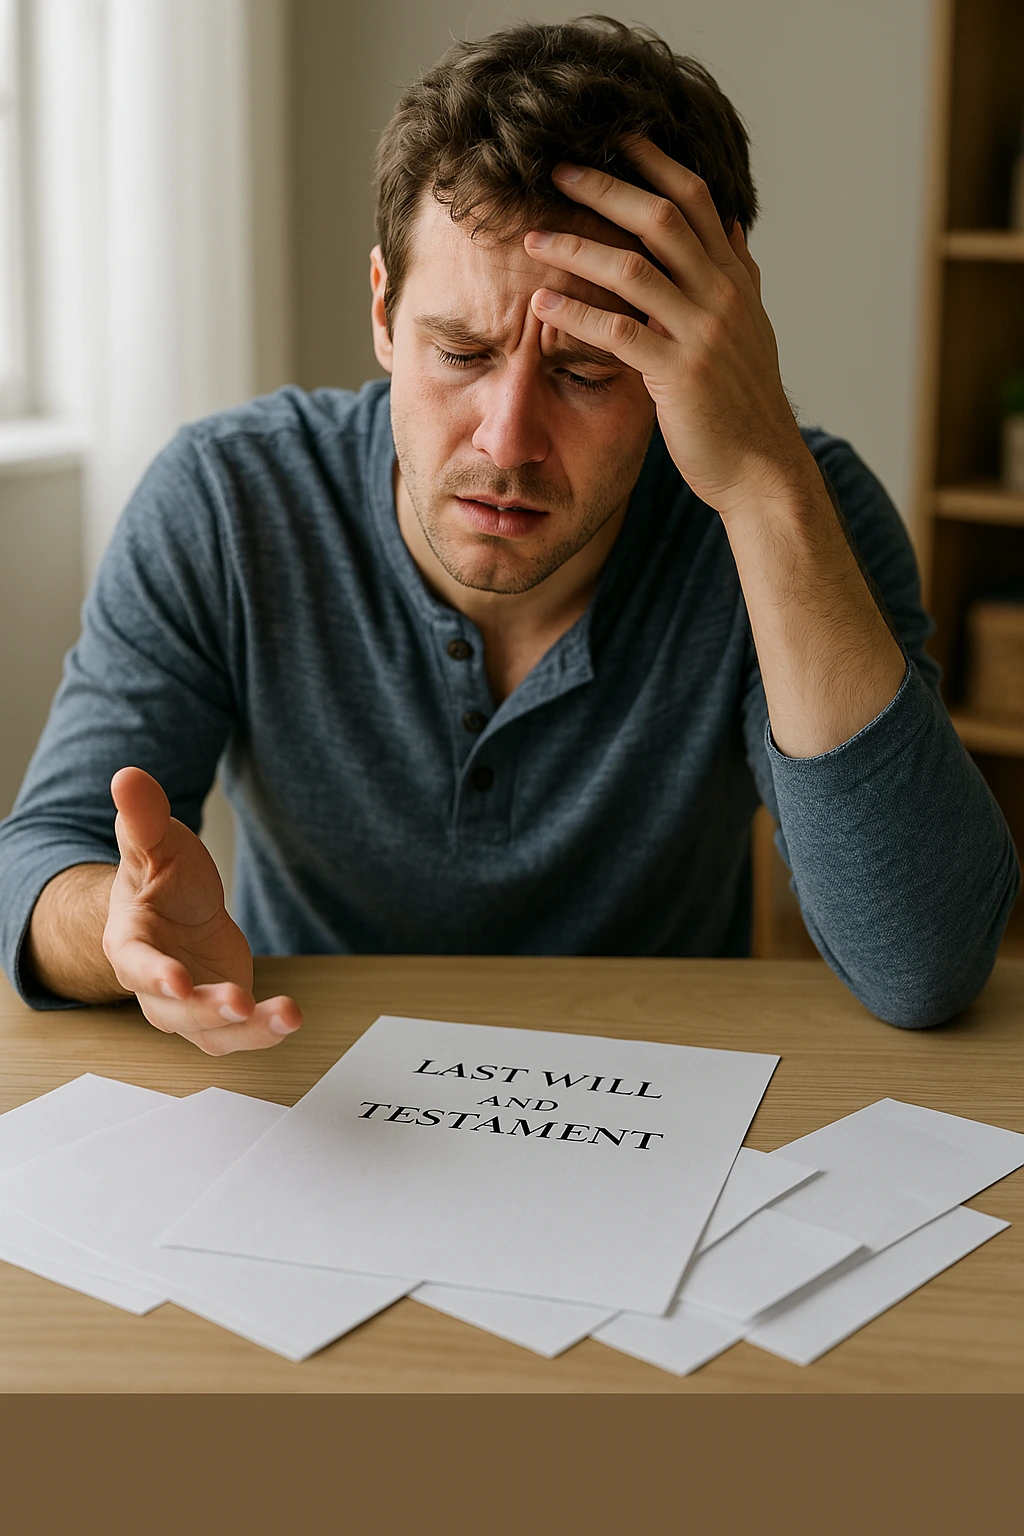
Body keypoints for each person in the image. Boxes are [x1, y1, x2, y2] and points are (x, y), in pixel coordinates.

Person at [0, 17, 1017, 1055]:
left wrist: (765, 485)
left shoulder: (796, 509)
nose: (509, 439)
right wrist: (117, 931)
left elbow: (924, 961)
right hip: (316, 1084)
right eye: (460, 351)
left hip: (657, 1097)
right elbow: (44, 855)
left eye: (584, 372)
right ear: (385, 314)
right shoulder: (226, 498)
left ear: (701, 353)